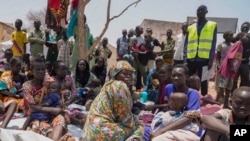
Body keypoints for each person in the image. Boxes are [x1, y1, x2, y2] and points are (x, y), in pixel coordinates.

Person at [82, 61, 144, 140]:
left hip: (90, 132)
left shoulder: (108, 85)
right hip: (101, 134)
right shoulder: (120, 86)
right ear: (116, 74)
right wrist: (136, 122)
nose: (129, 76)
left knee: (134, 118)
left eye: (130, 74)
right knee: (138, 124)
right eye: (124, 73)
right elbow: (125, 120)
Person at [22, 57, 67, 141]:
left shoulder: (51, 83)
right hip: (36, 116)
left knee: (60, 118)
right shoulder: (27, 85)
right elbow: (32, 108)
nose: (41, 72)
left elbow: (59, 100)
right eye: (38, 69)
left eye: (43, 69)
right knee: (42, 125)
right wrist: (51, 109)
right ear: (32, 70)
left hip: (53, 114)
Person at [184, 5, 217, 96]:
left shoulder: (212, 25)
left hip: (204, 59)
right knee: (188, 80)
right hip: (191, 59)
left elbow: (213, 43)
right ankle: (188, 97)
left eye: (202, 10)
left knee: (204, 81)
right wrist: (185, 59)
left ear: (206, 12)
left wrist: (211, 60)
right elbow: (186, 44)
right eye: (198, 10)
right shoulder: (191, 27)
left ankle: (203, 99)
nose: (199, 12)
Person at [218, 32, 248, 109]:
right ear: (241, 37)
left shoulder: (241, 45)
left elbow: (237, 57)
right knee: (223, 86)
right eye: (246, 37)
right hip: (228, 68)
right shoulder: (238, 43)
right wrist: (232, 67)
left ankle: (225, 104)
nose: (247, 39)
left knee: (229, 87)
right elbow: (231, 56)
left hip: (233, 70)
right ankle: (219, 100)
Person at [216, 31, 233, 102]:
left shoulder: (233, 45)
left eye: (232, 35)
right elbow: (218, 56)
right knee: (221, 83)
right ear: (225, 36)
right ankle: (218, 99)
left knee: (229, 83)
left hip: (231, 67)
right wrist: (218, 65)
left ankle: (226, 100)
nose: (231, 37)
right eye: (230, 35)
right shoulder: (221, 45)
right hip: (223, 66)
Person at [232, 22, 250, 91]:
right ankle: (233, 94)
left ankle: (242, 93)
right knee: (233, 80)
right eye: (244, 27)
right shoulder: (237, 37)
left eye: (247, 28)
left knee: (245, 80)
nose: (245, 29)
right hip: (235, 63)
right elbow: (230, 40)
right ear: (241, 28)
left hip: (244, 63)